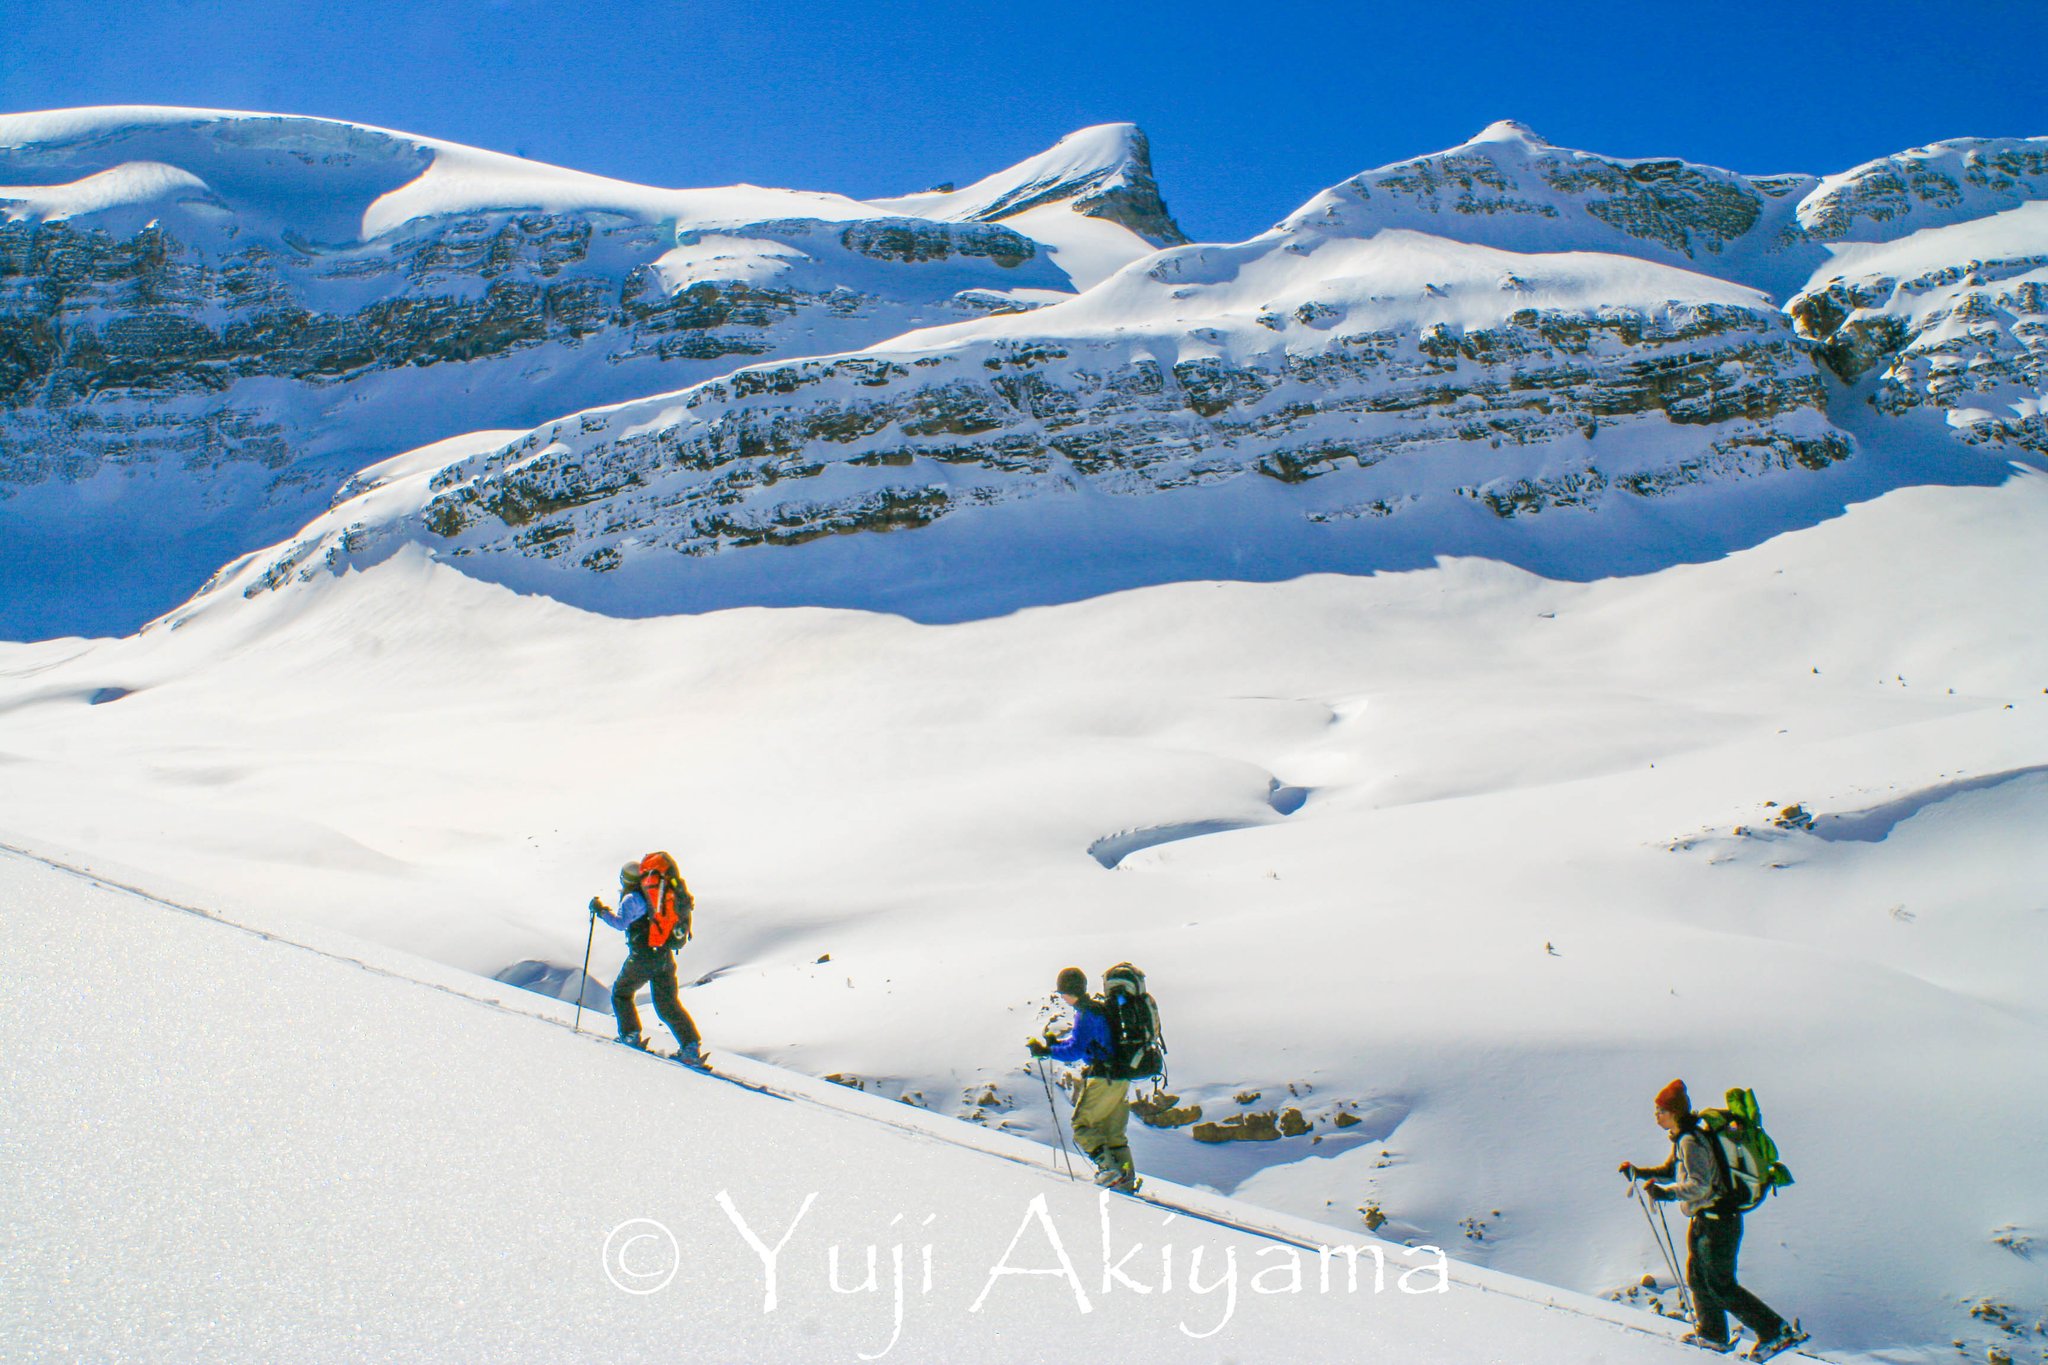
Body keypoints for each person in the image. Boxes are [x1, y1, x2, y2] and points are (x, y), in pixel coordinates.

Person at [1622, 1079, 1807, 1360]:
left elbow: (1699, 1184)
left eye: (1660, 1110)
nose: (1656, 1116)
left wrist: (1665, 1194)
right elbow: (1672, 1172)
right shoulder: (1685, 1138)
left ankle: (1775, 1331)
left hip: (1718, 1221)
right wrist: (1640, 1173)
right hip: (1708, 1220)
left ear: (1674, 1112)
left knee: (1720, 1284)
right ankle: (1712, 1335)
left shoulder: (1690, 1141)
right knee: (1697, 1278)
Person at [1028, 966, 1136, 1191]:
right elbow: (1083, 1043)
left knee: (1081, 1125)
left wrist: (1048, 1051)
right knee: (1114, 1134)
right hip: (1121, 1077)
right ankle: (1126, 1177)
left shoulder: (1086, 1014)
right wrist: (1056, 1045)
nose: (1061, 996)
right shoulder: (1098, 1009)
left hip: (1104, 1077)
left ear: (1069, 991)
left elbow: (1077, 1050)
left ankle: (1109, 1170)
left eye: (1062, 992)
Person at [589, 859, 704, 1068]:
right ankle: (690, 1047)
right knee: (667, 1005)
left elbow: (621, 923)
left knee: (621, 993)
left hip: (643, 956)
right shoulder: (656, 897)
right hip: (664, 955)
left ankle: (630, 1034)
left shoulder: (632, 899)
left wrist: (601, 911)